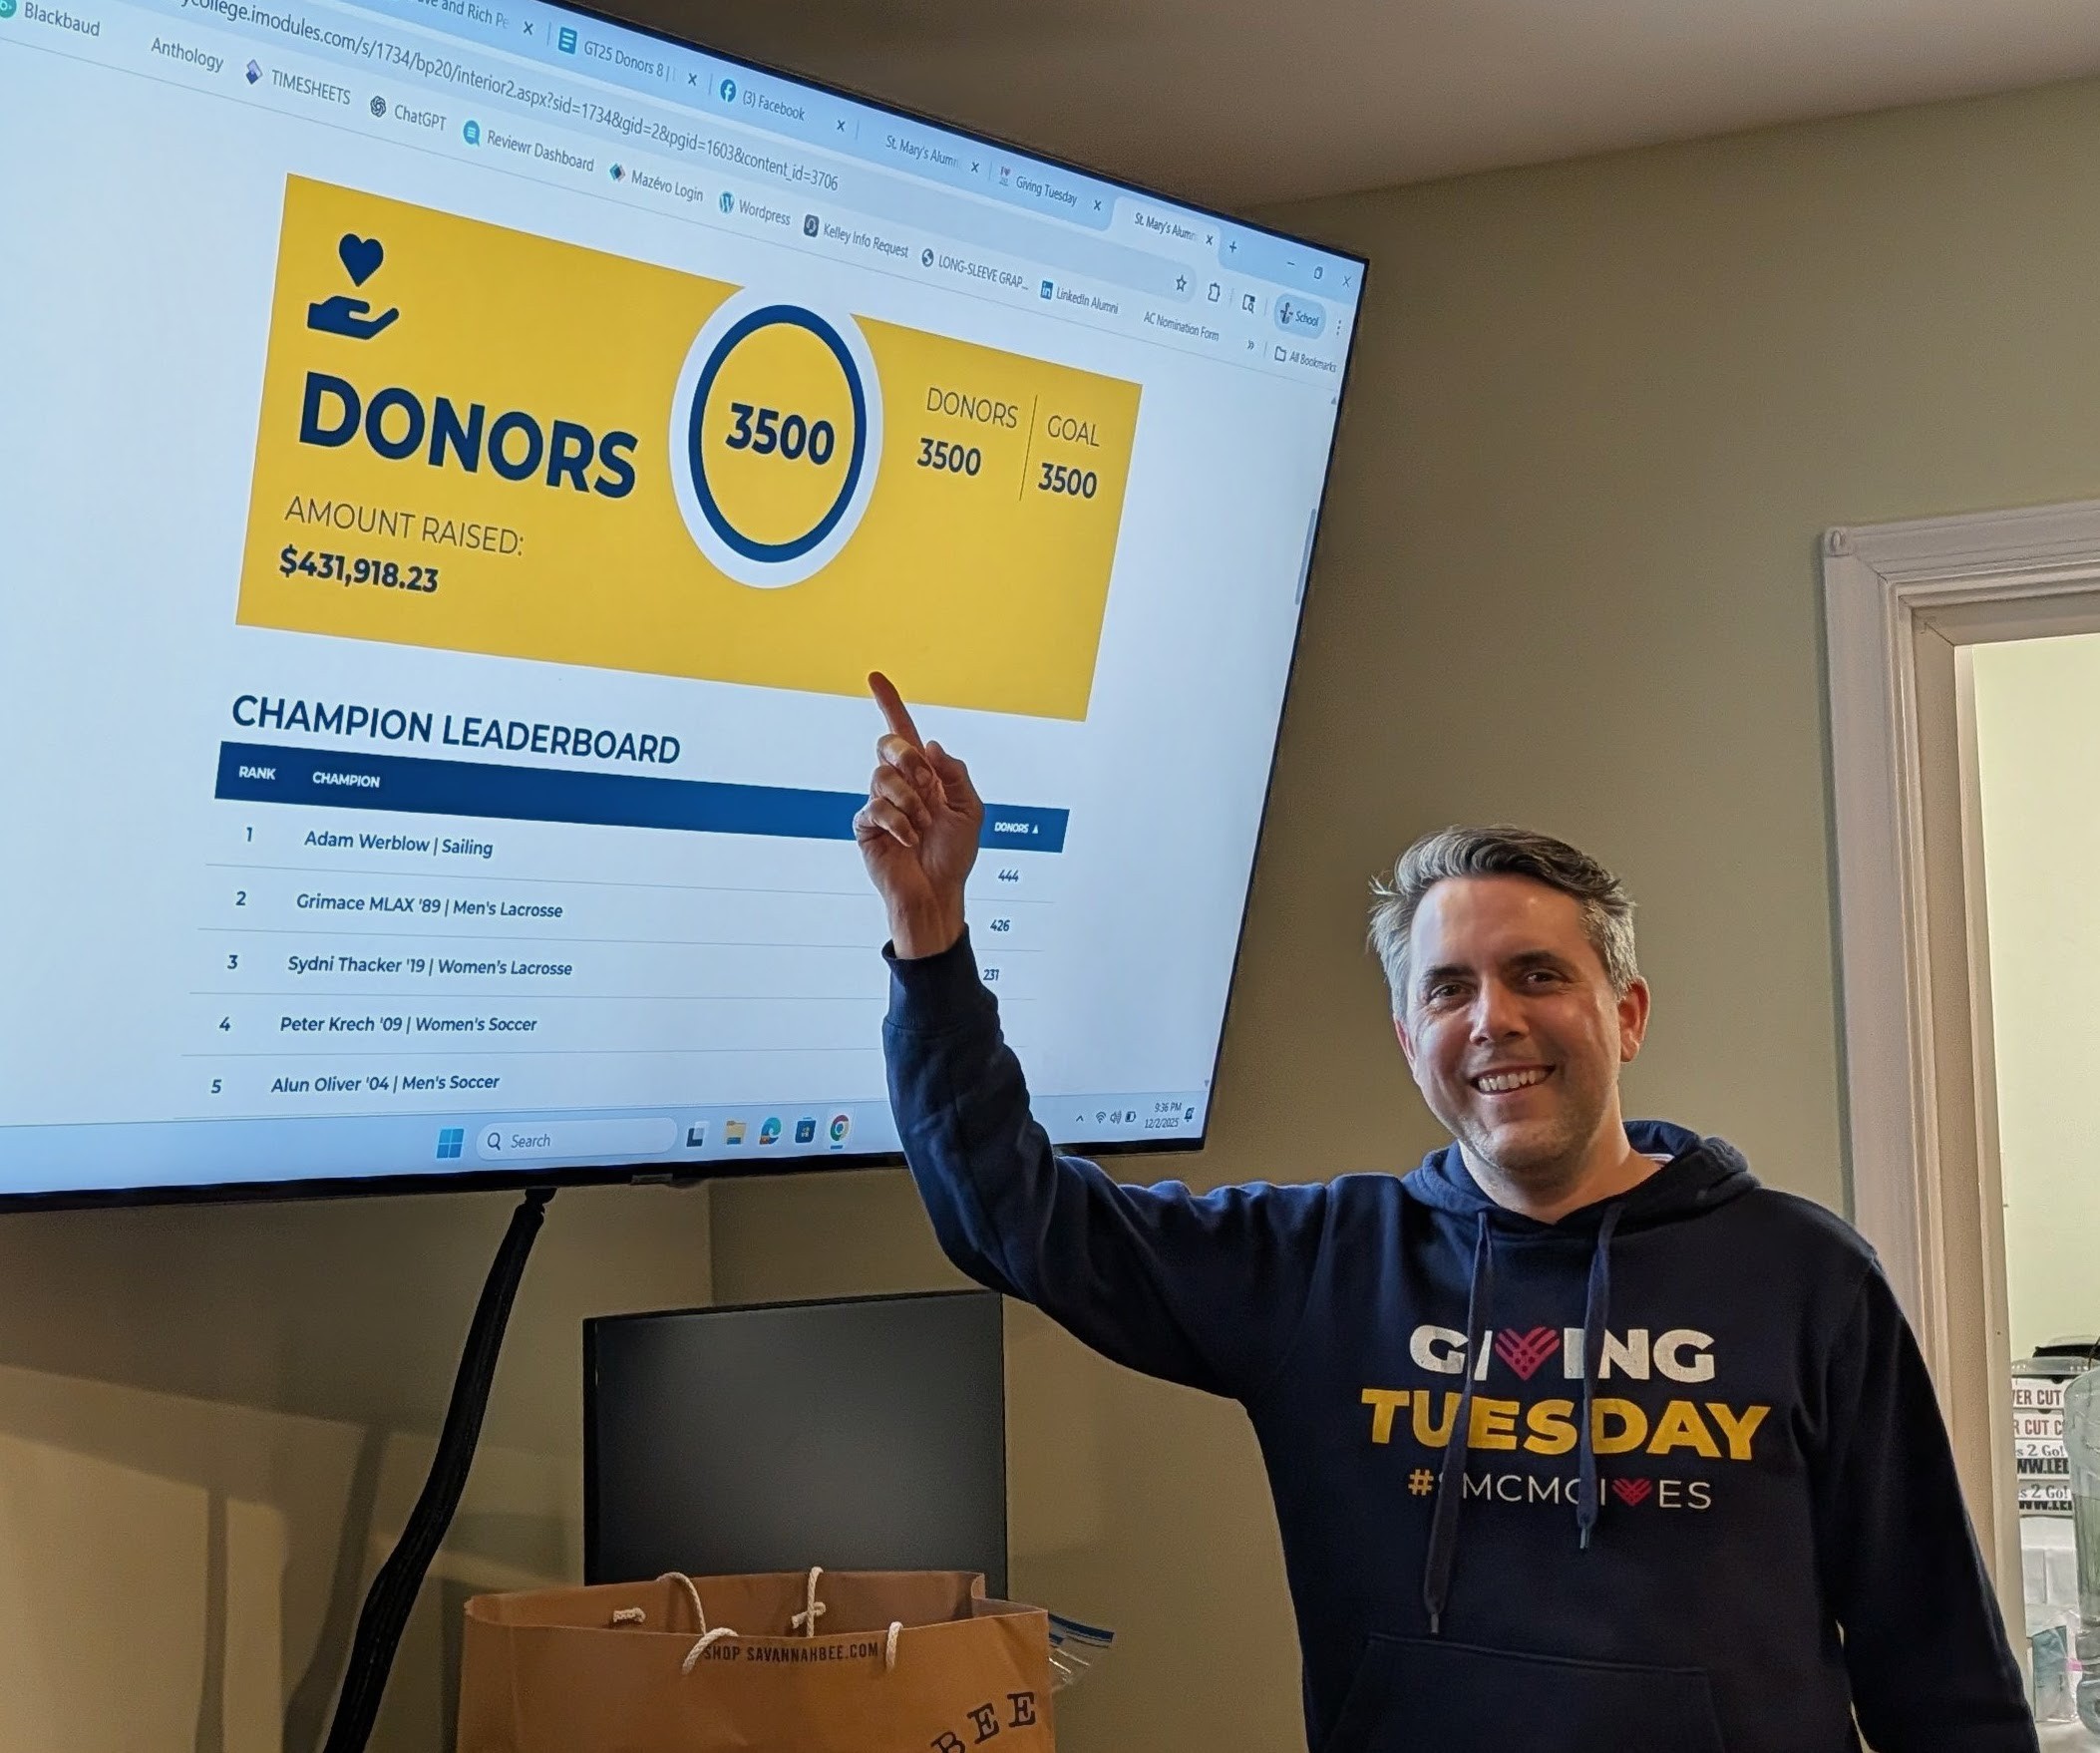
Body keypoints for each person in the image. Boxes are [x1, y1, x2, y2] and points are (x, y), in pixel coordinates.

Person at [853, 672, 2034, 1753]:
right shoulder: (1319, 1268)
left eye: (1538, 975)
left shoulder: (1804, 1277)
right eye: (1449, 989)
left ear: (1624, 1015)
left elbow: (1939, 1666)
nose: (1493, 1021)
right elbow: (1009, 1217)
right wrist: (931, 941)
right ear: (1410, 1038)